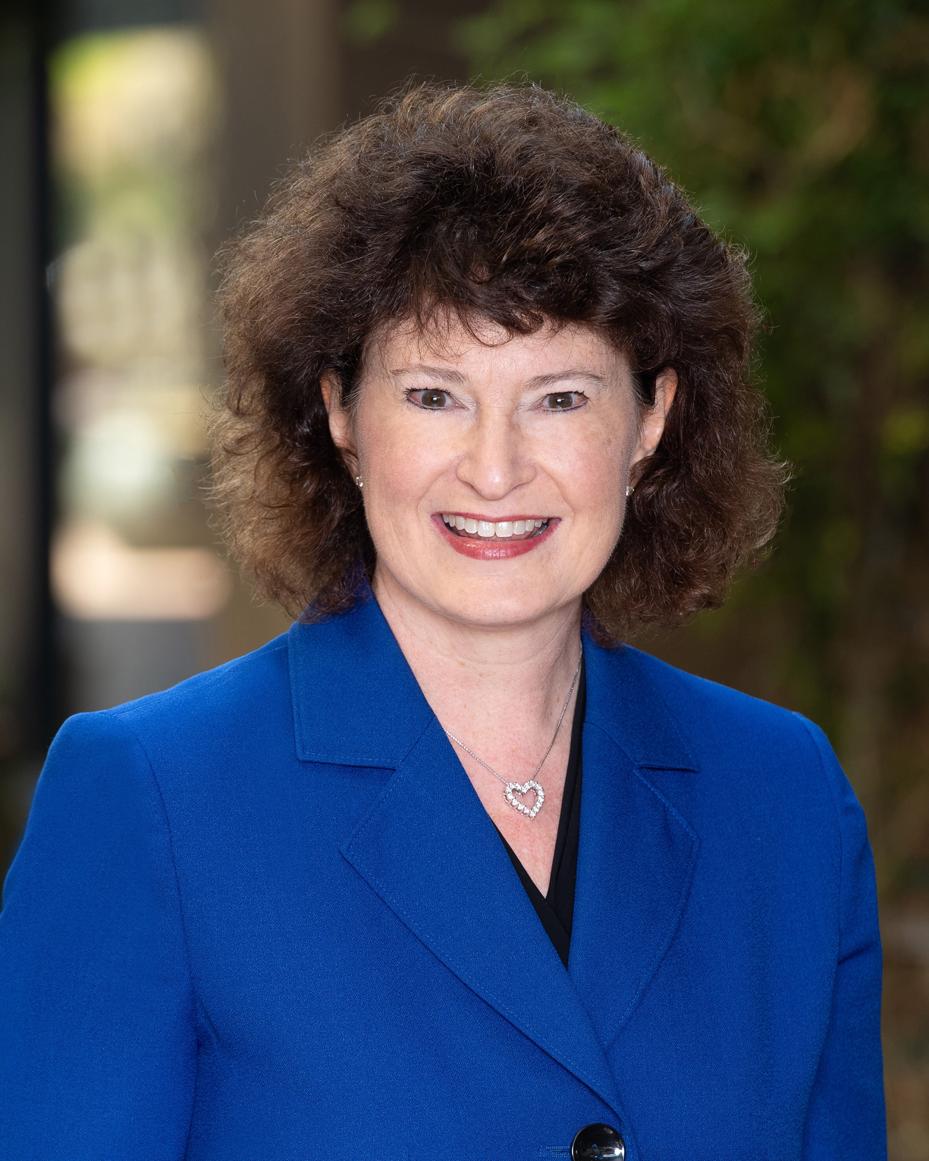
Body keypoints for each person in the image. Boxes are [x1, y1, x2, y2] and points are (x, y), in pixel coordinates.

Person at [0, 81, 885, 1161]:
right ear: (339, 412)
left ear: (651, 419)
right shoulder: (150, 798)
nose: (494, 469)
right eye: (433, 396)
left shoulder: (786, 797)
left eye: (559, 398)